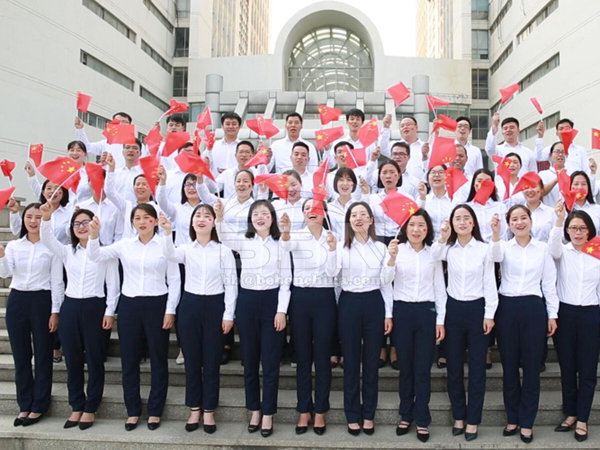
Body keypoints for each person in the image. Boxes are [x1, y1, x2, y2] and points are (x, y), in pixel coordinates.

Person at [87, 204, 180, 431]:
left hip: (157, 302)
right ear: (132, 222)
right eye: (137, 218)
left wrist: (170, 310)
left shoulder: (165, 245)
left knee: (158, 359)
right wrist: (94, 236)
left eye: (147, 218)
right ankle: (133, 410)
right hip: (129, 305)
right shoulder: (124, 245)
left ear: (155, 221)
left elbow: (175, 280)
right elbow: (96, 255)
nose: (142, 222)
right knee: (129, 359)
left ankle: (155, 410)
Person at [215, 199, 291, 437]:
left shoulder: (281, 244)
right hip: (247, 303)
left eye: (265, 214)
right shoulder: (244, 241)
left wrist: (281, 310)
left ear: (272, 218)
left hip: (272, 304)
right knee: (249, 362)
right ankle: (254, 410)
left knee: (270, 363)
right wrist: (218, 217)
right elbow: (223, 235)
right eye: (256, 214)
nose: (260, 217)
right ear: (250, 219)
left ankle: (268, 413)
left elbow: (286, 280)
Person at [39, 204, 119, 430]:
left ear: (95, 225)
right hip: (71, 306)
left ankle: (91, 406)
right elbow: (47, 239)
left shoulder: (106, 253)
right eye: (77, 224)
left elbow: (113, 284)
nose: (82, 227)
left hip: (96, 306)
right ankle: (76, 405)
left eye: (86, 222)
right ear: (72, 228)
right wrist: (46, 218)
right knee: (72, 359)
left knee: (94, 359)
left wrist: (109, 311)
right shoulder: (67, 251)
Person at [159, 206, 237, 434]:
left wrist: (228, 314)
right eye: (198, 216)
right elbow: (169, 254)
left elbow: (231, 284)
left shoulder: (224, 251)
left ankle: (209, 410)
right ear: (192, 223)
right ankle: (194, 408)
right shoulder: (185, 249)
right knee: (192, 360)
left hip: (215, 305)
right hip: (190, 306)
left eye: (207, 216)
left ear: (214, 223)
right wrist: (166, 232)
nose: (202, 220)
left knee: (211, 361)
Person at [490, 205, 559, 443]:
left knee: (531, 369)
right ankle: (513, 418)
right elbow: (495, 257)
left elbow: (549, 283)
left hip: (533, 308)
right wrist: (497, 234)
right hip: (507, 307)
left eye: (523, 218)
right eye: (514, 219)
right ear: (509, 224)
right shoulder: (504, 247)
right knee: (509, 368)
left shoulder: (542, 249)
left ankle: (527, 422)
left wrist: (552, 314)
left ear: (531, 221)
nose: (519, 223)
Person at [431, 204, 498, 441]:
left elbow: (490, 283)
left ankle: (473, 420)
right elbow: (433, 255)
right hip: (454, 310)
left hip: (477, 308)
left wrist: (489, 313)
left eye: (466, 218)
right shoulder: (448, 249)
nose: (461, 222)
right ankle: (459, 415)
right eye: (457, 218)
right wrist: (443, 235)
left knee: (478, 368)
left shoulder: (484, 249)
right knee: (454, 368)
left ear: (473, 223)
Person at [330, 202, 393, 436]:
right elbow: (332, 275)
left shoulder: (382, 247)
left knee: (371, 363)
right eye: (353, 215)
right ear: (348, 221)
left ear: (371, 220)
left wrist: (388, 313)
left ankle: (369, 414)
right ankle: (352, 414)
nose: (358, 218)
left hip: (374, 303)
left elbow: (387, 282)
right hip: (349, 303)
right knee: (351, 362)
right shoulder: (340, 247)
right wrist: (330, 251)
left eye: (363, 215)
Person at [383, 210, 446, 443]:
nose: (416, 229)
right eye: (412, 225)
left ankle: (422, 418)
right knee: (405, 368)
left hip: (426, 312)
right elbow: (385, 282)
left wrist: (440, 320)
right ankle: (405, 414)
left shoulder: (433, 254)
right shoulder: (395, 250)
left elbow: (440, 288)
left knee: (422, 368)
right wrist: (390, 258)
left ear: (427, 229)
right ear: (405, 228)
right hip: (402, 312)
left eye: (421, 225)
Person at [0, 203, 64, 427]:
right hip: (18, 299)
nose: (34, 221)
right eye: (29, 216)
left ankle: (39, 405)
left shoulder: (51, 248)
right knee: (21, 355)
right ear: (23, 219)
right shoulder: (15, 245)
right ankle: (24, 404)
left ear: (44, 219)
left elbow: (57, 281)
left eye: (38, 217)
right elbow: (5, 273)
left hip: (42, 300)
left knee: (44, 354)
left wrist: (55, 311)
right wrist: (1, 255)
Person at [279, 199, 337, 435]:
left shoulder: (333, 237)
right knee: (303, 358)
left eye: (315, 208)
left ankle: (321, 410)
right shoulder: (296, 236)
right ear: (302, 213)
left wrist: (333, 249)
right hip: (300, 300)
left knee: (323, 359)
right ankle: (304, 409)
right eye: (306, 209)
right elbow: (285, 247)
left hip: (324, 299)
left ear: (323, 213)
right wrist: (284, 232)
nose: (311, 212)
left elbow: (334, 273)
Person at [549, 205, 600, 442]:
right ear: (567, 231)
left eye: (582, 228)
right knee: (567, 368)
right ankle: (570, 413)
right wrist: (560, 221)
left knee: (588, 370)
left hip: (591, 314)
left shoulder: (597, 254)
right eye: (573, 228)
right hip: (566, 314)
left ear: (589, 231)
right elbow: (552, 246)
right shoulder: (562, 253)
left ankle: (582, 418)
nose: (578, 233)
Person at [104, 153, 161, 238]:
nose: (140, 187)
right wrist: (111, 169)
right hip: (129, 248)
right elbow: (110, 192)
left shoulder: (157, 208)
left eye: (144, 184)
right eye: (137, 184)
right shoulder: (127, 205)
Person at [157, 169, 201, 247]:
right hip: (181, 252)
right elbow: (162, 201)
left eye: (194, 184)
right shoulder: (177, 208)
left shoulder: (207, 208)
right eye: (188, 184)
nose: (191, 188)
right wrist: (162, 182)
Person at [465, 169, 508, 242]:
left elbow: (504, 233)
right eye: (479, 181)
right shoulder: (466, 208)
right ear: (473, 184)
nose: (483, 184)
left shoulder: (500, 207)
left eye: (487, 181)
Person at [422, 165, 452, 242]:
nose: (437, 175)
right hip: (427, 243)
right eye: (433, 172)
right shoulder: (424, 200)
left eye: (441, 172)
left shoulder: (454, 200)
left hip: (449, 242)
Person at [327, 168, 358, 237]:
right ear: (336, 183)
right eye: (341, 180)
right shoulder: (329, 208)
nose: (345, 183)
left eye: (349, 180)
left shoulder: (358, 207)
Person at [538, 142, 567, 208]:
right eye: (557, 152)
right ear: (550, 155)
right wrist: (556, 179)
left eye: (563, 152)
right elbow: (541, 192)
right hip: (550, 213)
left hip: (568, 215)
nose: (560, 155)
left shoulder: (570, 173)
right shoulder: (543, 174)